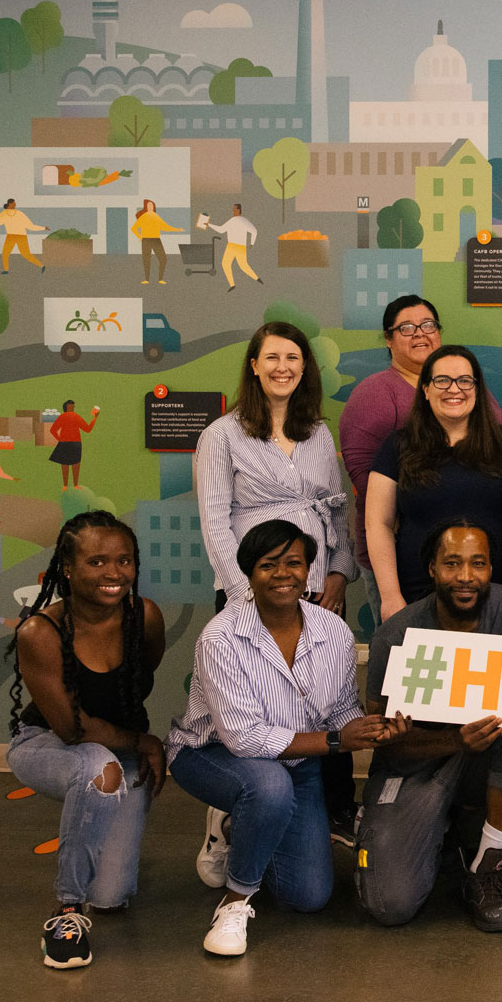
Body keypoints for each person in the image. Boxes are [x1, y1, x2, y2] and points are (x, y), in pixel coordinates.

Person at [167, 521, 408, 956]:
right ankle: (235, 902)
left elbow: (339, 711)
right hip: (211, 755)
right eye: (268, 564)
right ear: (248, 573)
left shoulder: (333, 631)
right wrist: (338, 741)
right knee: (267, 785)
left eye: (294, 563)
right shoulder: (221, 638)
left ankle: (238, 825)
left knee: (308, 896)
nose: (283, 574)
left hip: (298, 764)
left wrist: (372, 728)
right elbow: (245, 740)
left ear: (310, 570)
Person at [195, 320, 359, 838]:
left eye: (292, 358)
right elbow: (215, 520)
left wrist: (337, 573)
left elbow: (335, 513)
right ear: (254, 366)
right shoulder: (222, 433)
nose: (282, 367)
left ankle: (333, 810)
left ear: (303, 367)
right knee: (257, 702)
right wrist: (248, 593)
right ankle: (234, 813)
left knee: (326, 698)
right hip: (254, 584)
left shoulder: (317, 431)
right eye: (272, 358)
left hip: (316, 584)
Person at [356, 521, 502, 932]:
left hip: (487, 759)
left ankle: (488, 865)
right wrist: (454, 738)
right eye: (452, 564)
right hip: (417, 766)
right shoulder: (396, 635)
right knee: (390, 905)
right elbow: (385, 744)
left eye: (478, 564)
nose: (465, 577)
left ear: (492, 569)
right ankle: (444, 834)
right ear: (432, 569)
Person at [4, 512, 167, 970]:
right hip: (46, 745)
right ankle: (67, 910)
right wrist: (144, 742)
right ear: (68, 568)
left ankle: (95, 887)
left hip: (122, 750)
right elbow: (72, 729)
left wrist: (136, 744)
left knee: (112, 897)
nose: (114, 573)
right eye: (97, 562)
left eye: (124, 561)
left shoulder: (145, 617)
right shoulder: (40, 632)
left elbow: (142, 677)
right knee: (97, 766)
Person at [365, 346, 502, 620]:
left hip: (498, 594)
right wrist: (391, 595)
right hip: (417, 596)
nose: (454, 389)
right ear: (426, 390)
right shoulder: (397, 446)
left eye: (465, 380)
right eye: (442, 380)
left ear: (477, 389)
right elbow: (377, 523)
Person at [337, 296, 456, 616]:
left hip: (461, 549)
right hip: (397, 549)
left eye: (428, 325)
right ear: (388, 340)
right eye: (406, 327)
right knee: (404, 654)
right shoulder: (374, 393)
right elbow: (362, 473)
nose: (420, 333)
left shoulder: (463, 384)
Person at [0, 198, 46, 272]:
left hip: (21, 236)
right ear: (10, 204)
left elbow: (30, 226)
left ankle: (42, 266)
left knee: (26, 254)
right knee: (5, 253)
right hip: (11, 236)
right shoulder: (4, 213)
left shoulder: (19, 213)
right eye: (14, 203)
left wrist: (43, 228)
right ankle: (6, 270)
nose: (15, 205)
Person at [47, 399, 100, 489]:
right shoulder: (74, 416)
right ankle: (73, 485)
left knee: (66, 464)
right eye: (72, 406)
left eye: (73, 406)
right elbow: (87, 429)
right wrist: (95, 418)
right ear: (68, 407)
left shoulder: (65, 416)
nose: (73, 408)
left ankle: (67, 485)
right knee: (73, 464)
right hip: (75, 443)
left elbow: (53, 430)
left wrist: (60, 439)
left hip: (67, 443)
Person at [210, 203, 262, 289]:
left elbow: (221, 230)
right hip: (241, 247)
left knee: (225, 264)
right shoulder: (245, 221)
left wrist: (209, 224)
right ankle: (257, 279)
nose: (232, 211)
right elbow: (254, 231)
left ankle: (232, 284)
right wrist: (252, 243)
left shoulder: (233, 220)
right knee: (243, 266)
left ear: (238, 210)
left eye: (234, 209)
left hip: (232, 246)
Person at [131, 197, 181, 285]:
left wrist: (178, 229)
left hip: (156, 240)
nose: (150, 207)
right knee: (146, 260)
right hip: (146, 240)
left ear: (153, 207)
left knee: (163, 259)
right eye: (148, 205)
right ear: (146, 207)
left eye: (151, 205)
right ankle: (146, 279)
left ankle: (160, 279)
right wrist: (139, 236)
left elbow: (166, 227)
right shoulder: (143, 217)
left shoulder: (156, 217)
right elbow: (134, 228)